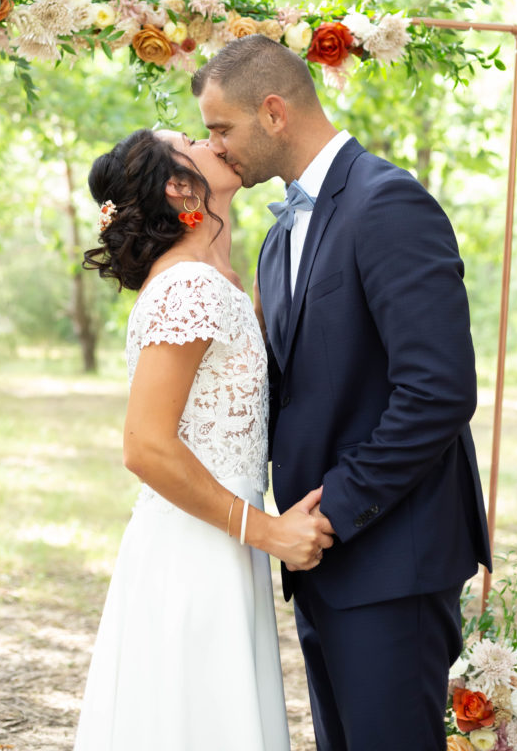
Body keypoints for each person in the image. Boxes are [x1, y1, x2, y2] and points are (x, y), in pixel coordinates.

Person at [192, 34, 493, 751]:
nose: (216, 147)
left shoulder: (387, 202)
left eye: (220, 129)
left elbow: (437, 391)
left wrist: (336, 510)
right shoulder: (276, 237)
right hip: (319, 561)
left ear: (272, 112)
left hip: (391, 553)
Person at [74, 127, 334, 751]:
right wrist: (267, 531)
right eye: (192, 138)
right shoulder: (188, 286)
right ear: (177, 185)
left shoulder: (215, 279)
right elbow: (146, 446)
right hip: (194, 550)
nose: (211, 137)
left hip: (219, 539)